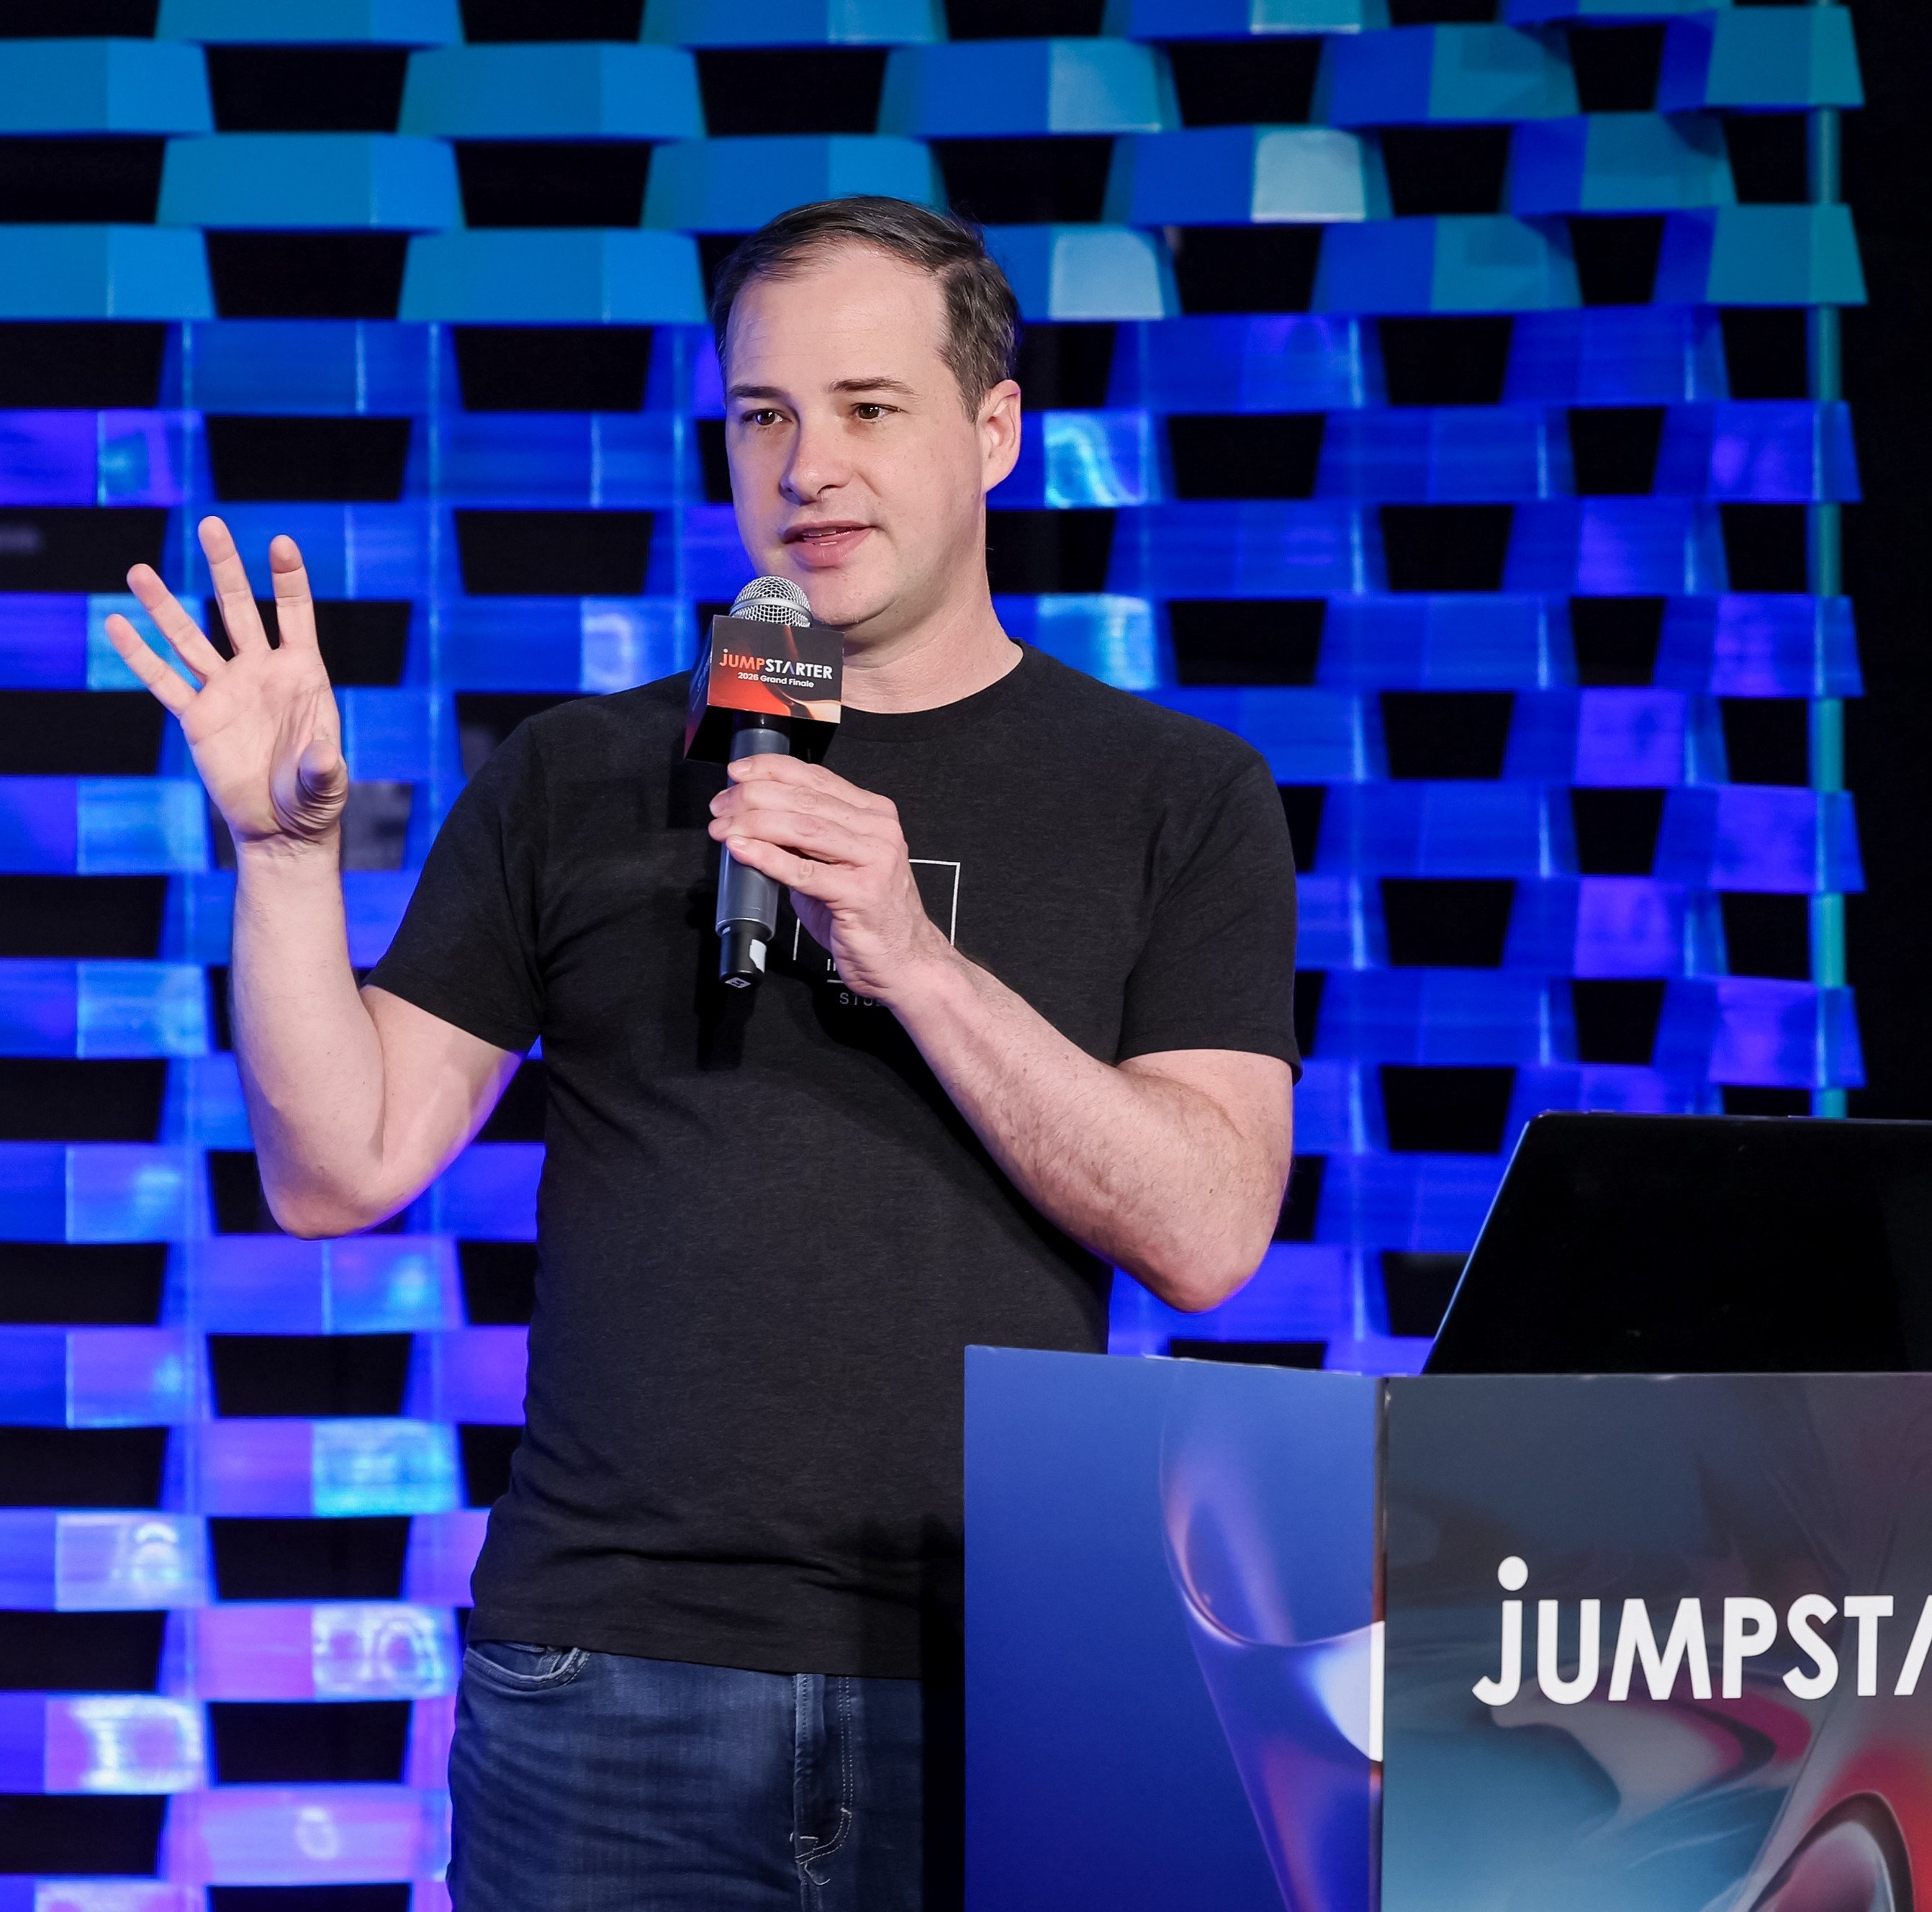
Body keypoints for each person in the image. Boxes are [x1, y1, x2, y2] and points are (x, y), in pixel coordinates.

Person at [101, 197, 1300, 1908]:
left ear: (994, 431)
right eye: (764, 414)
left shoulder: (1175, 794)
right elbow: (336, 1167)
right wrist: (285, 860)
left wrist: (914, 958)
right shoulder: (580, 775)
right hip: (607, 1680)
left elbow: (1208, 1230)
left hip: (1001, 1676)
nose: (809, 466)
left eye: (870, 408)